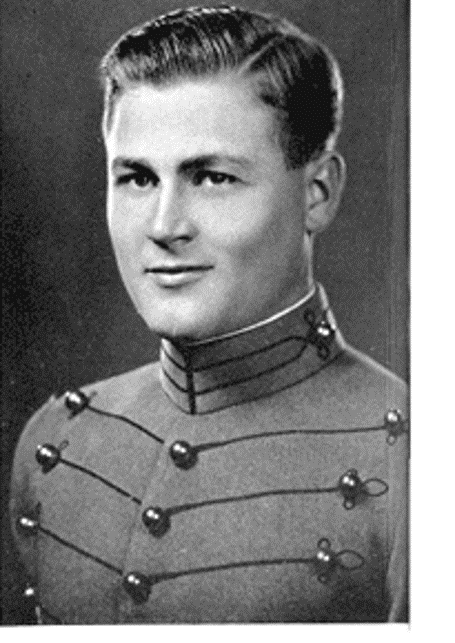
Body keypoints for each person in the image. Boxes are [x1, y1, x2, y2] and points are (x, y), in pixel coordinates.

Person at [10, 5, 408, 624]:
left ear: (318, 193)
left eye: (213, 178)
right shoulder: (58, 443)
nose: (165, 226)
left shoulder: (413, 463)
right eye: (138, 179)